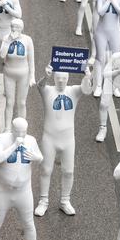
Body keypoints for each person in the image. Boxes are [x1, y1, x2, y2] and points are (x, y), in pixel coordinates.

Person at [34, 64, 92, 217]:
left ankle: (65, 200)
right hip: (49, 137)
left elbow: (86, 89)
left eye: (64, 78)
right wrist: (45, 76)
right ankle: (43, 200)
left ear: (68, 78)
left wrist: (87, 76)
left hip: (68, 139)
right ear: (54, 78)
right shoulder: (48, 90)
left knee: (68, 170)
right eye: (58, 78)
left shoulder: (73, 91)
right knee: (46, 169)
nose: (61, 81)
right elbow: (39, 86)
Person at [0, 19, 35, 132]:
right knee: (10, 102)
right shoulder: (6, 38)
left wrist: (32, 76)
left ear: (21, 28)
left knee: (22, 102)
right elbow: (2, 55)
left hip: (23, 75)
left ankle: (22, 128)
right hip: (9, 73)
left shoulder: (27, 40)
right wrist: (9, 40)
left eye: (17, 27)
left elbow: (31, 61)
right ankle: (7, 128)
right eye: (12, 26)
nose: (14, 29)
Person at [93, 0, 120, 97]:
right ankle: (98, 86)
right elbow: (100, 12)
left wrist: (113, 1)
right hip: (101, 32)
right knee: (100, 58)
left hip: (115, 32)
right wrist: (108, 0)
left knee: (116, 58)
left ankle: (114, 86)